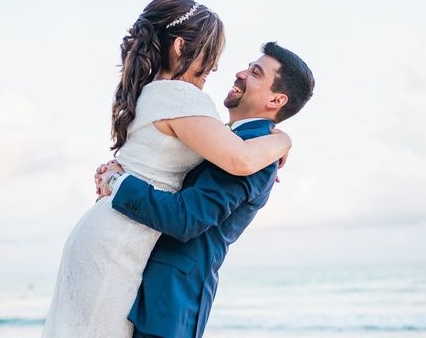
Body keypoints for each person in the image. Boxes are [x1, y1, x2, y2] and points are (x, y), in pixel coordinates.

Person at [0, 0, 291, 338]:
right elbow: (240, 158)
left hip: (109, 233)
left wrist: (115, 177)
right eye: (211, 54)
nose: (218, 66)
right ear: (180, 47)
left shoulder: (158, 95)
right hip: (117, 245)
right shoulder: (183, 99)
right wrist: (282, 140)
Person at [94, 41, 314, 338]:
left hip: (169, 303)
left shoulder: (255, 156)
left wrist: (118, 183)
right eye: (249, 67)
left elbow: (186, 219)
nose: (240, 73)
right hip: (147, 288)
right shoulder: (237, 140)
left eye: (256, 73)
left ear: (276, 101)